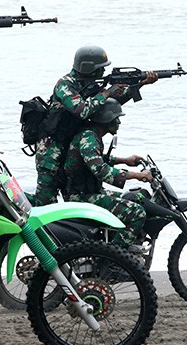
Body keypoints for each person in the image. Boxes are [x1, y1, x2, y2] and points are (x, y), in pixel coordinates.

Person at [32, 45, 157, 206]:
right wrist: (107, 92)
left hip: (70, 148)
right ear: (88, 68)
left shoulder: (90, 86)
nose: (103, 73)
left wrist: (140, 84)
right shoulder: (65, 84)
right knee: (45, 202)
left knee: (69, 198)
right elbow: (81, 110)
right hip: (51, 151)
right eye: (100, 69)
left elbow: (107, 107)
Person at [59, 98, 152, 252]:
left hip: (89, 192)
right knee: (136, 212)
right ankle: (114, 258)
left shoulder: (92, 136)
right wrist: (137, 175)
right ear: (106, 119)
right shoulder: (88, 138)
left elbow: (95, 159)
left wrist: (125, 160)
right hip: (80, 196)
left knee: (131, 198)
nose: (119, 123)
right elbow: (101, 170)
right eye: (116, 119)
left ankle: (120, 245)